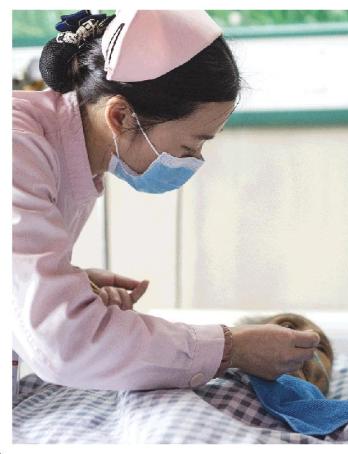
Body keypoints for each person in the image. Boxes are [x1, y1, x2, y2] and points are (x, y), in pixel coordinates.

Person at [12, 10, 320, 395]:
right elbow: (63, 341)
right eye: (190, 146)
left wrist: (68, 283)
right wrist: (231, 349)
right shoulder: (17, 150)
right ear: (121, 116)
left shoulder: (64, 154)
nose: (194, 160)